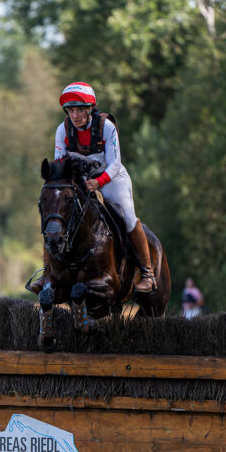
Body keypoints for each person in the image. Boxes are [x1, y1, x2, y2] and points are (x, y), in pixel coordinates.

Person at [28, 81, 156, 294]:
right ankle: (49, 272)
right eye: (70, 111)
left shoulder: (106, 127)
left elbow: (115, 163)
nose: (74, 115)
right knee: (56, 217)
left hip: (111, 178)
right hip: (80, 180)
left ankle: (147, 272)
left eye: (79, 110)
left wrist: (98, 182)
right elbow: (60, 164)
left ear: (90, 109)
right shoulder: (63, 129)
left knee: (129, 218)